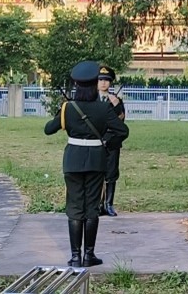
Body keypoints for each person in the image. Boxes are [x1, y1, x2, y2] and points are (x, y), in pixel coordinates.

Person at [44, 60, 129, 268]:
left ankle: (75, 257)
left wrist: (62, 113)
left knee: (75, 207)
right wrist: (107, 143)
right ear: (94, 84)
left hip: (73, 160)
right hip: (96, 161)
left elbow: (48, 129)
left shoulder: (68, 108)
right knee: (91, 207)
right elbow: (122, 130)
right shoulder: (103, 108)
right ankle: (89, 255)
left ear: (76, 85)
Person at [98, 65, 126, 217]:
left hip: (112, 142)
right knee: (96, 173)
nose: (103, 83)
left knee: (111, 173)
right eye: (100, 80)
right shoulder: (92, 100)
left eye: (106, 80)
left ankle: (109, 204)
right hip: (96, 141)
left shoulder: (116, 100)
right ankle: (97, 204)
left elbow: (121, 121)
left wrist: (116, 105)